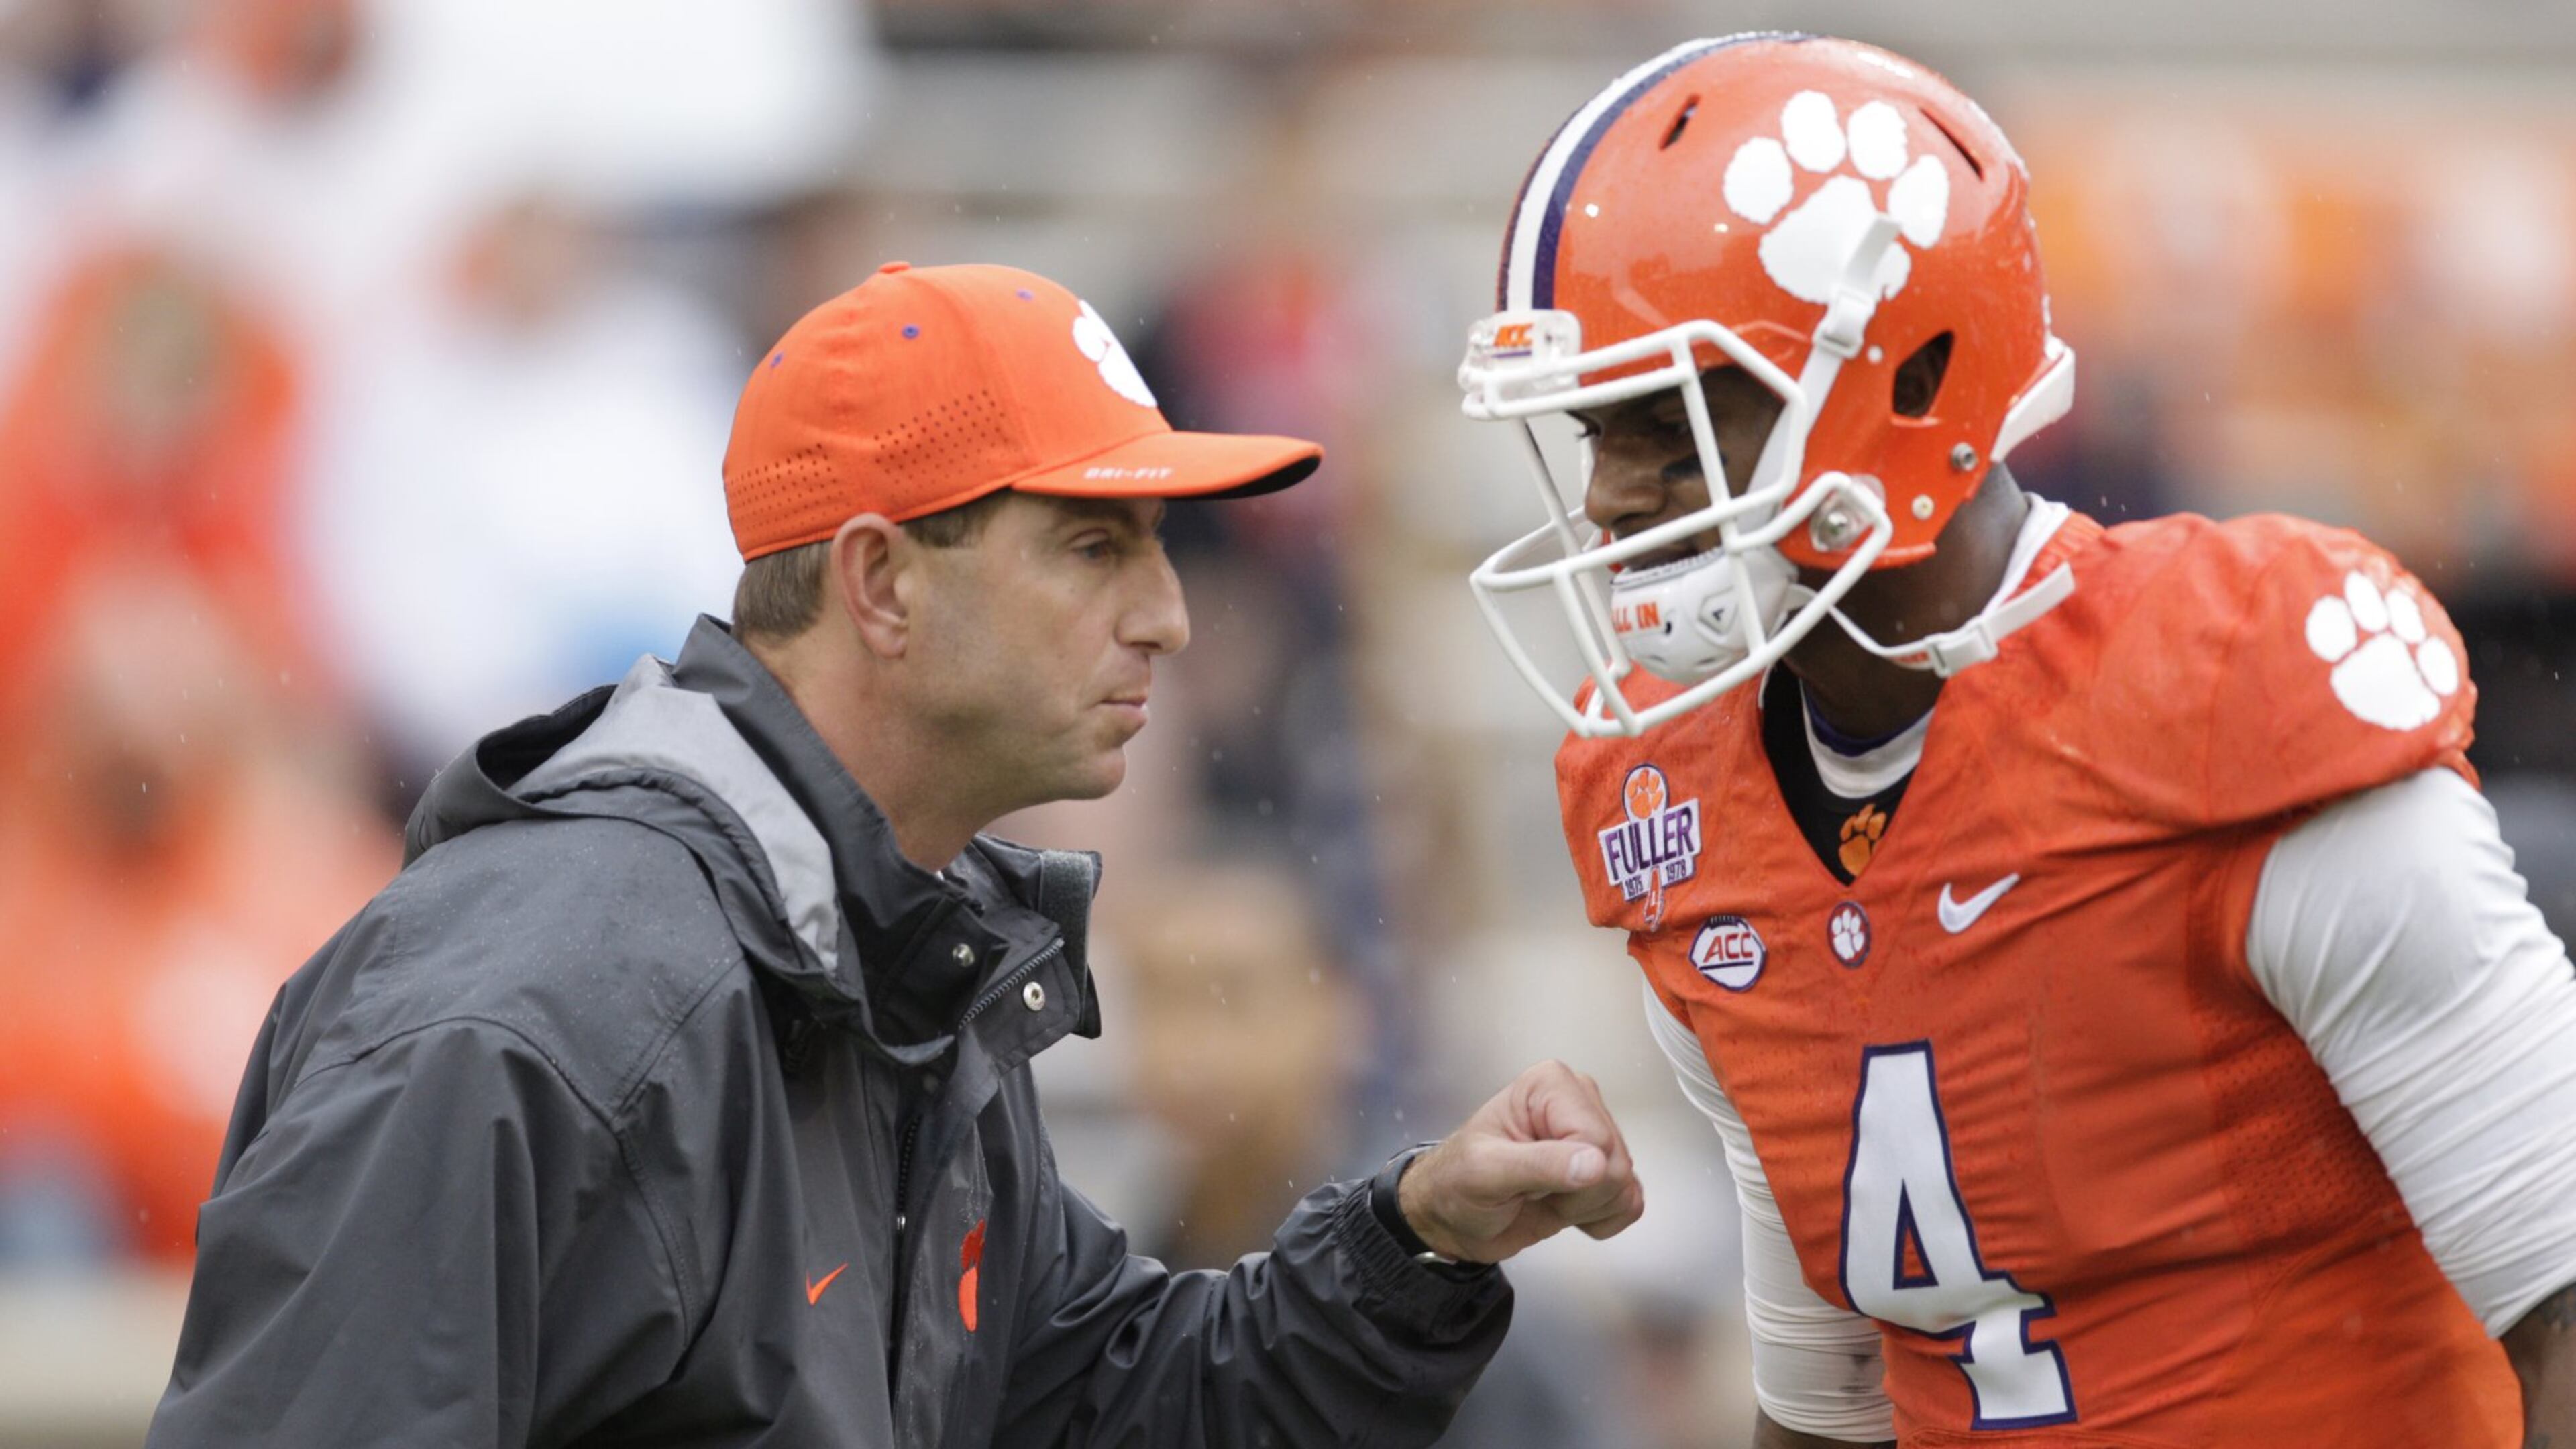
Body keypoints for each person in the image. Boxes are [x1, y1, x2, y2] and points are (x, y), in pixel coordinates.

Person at [147, 260, 1646, 1447]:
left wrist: (1412, 1245)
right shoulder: (541, 1009)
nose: (1168, 618)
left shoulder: (894, 959)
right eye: (1092, 545)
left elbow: (1099, 1412)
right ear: (877, 582)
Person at [1454, 34, 2576, 1448]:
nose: (1613, 499)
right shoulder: (1680, 807)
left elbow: (2566, 1296)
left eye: (1673, 428)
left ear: (1905, 380)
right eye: (1593, 432)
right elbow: (1822, 1402)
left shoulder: (2228, 692)